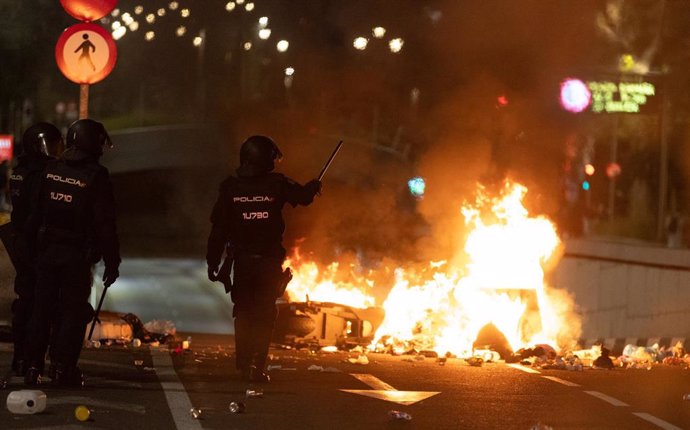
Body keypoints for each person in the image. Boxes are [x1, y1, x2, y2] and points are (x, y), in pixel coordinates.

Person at [206, 135, 321, 383]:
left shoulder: (230, 188)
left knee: (244, 312)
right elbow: (302, 197)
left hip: (243, 263)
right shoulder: (277, 184)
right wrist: (313, 187)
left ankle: (243, 363)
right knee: (264, 313)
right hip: (268, 263)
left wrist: (212, 260)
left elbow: (218, 229)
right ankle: (257, 366)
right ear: (266, 160)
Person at [24, 119, 120, 387]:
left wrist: (30, 250)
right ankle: (62, 368)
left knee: (40, 309)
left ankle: (32, 366)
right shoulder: (96, 177)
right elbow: (105, 225)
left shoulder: (51, 169)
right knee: (72, 312)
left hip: (46, 252)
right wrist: (113, 261)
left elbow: (35, 213)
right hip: (76, 256)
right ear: (93, 144)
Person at [8, 123, 64, 377]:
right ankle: (34, 359)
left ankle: (20, 357)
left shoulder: (19, 171)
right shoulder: (45, 174)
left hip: (21, 244)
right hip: (38, 246)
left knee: (25, 302)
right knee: (41, 305)